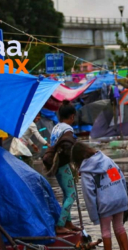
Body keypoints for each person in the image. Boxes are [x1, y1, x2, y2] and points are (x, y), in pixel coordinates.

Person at [71, 142, 128, 250]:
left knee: (106, 232)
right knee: (120, 228)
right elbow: (119, 178)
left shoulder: (86, 172)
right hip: (120, 198)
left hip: (105, 203)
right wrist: (123, 195)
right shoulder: (106, 160)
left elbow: (89, 196)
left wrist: (94, 217)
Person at [50, 100, 81, 234]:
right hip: (63, 165)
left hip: (55, 164)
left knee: (66, 193)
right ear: (72, 116)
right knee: (72, 194)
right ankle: (60, 224)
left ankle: (68, 222)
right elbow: (69, 147)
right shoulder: (68, 129)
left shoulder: (56, 127)